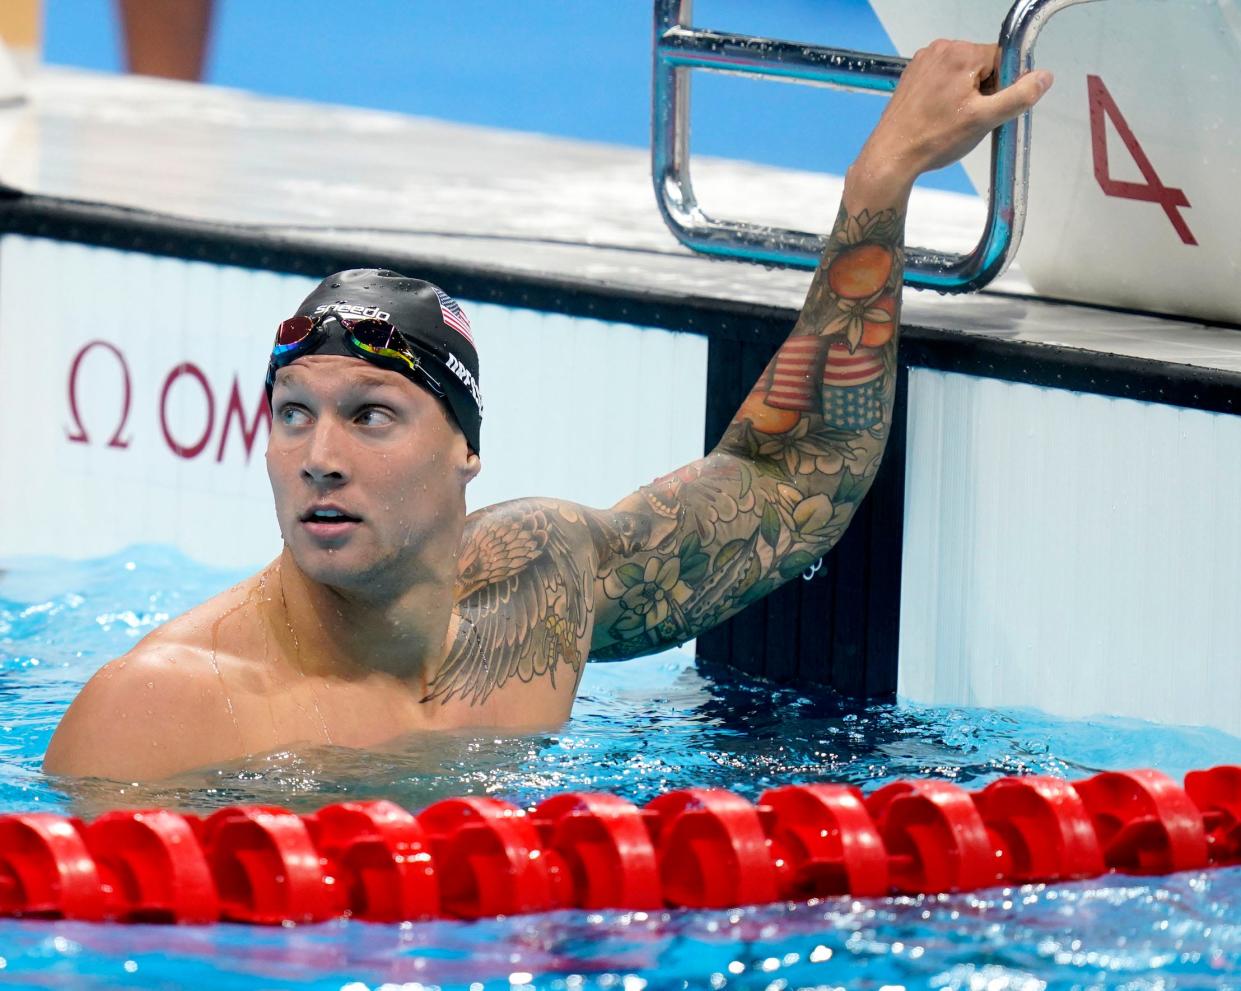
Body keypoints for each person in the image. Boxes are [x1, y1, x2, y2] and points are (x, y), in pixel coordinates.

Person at [43, 42, 1052, 782]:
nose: (318, 455)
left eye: (371, 415)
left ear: (465, 450)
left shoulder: (540, 585)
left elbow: (793, 483)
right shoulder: (160, 710)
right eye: (293, 413)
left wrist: (879, 181)